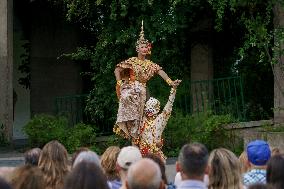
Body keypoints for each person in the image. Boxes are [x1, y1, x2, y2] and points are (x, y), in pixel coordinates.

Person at [113, 20, 180, 145]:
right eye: (142, 47)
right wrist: (119, 83)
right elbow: (117, 69)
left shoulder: (150, 64)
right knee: (133, 117)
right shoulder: (132, 61)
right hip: (132, 91)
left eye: (146, 47)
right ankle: (134, 142)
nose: (145, 49)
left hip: (143, 92)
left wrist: (170, 82)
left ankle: (145, 142)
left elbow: (161, 72)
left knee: (143, 119)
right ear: (137, 48)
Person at [138, 82, 180, 161]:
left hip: (157, 156)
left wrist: (173, 89)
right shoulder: (141, 119)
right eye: (148, 107)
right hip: (144, 156)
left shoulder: (160, 120)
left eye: (153, 107)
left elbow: (169, 106)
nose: (150, 110)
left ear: (157, 109)